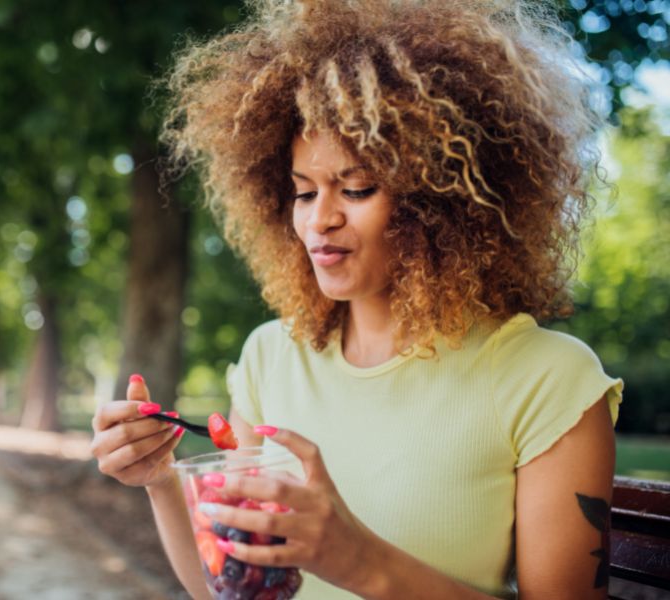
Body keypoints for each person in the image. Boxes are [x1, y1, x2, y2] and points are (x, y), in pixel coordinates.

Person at [91, 0, 623, 597]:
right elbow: (232, 585)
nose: (320, 221)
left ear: (443, 200)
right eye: (302, 192)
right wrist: (162, 481)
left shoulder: (548, 381)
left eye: (357, 187)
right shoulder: (270, 356)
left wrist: (352, 558)